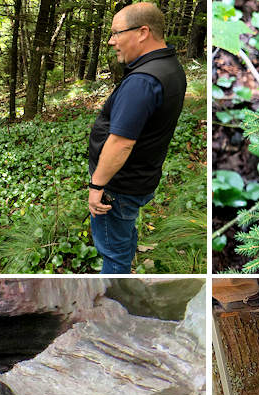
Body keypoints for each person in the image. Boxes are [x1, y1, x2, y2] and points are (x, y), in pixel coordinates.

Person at [87, 2, 186, 274]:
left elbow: (121, 143)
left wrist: (97, 186)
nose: (111, 41)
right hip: (140, 179)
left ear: (143, 32)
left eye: (117, 33)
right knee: (124, 233)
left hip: (118, 187)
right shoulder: (170, 66)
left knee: (113, 253)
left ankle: (114, 305)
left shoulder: (142, 81)